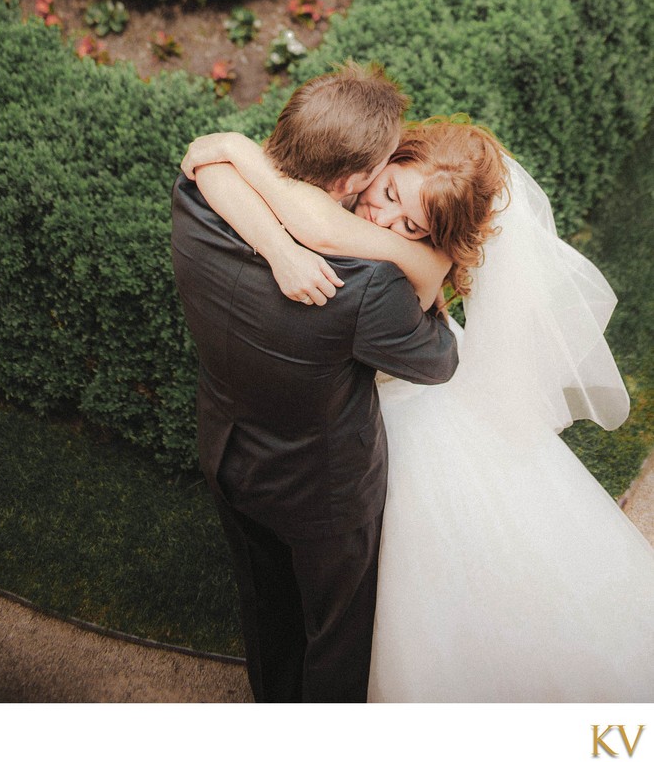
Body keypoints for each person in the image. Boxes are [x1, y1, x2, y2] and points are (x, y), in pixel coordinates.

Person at [181, 116, 654, 703]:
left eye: (413, 228)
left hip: (362, 440)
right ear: (385, 160)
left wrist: (416, 268)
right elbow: (307, 220)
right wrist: (284, 245)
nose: (384, 222)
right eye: (387, 196)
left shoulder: (385, 285)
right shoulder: (356, 214)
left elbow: (436, 361)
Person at [171, 63, 459, 704]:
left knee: (265, 609)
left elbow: (211, 158)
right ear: (356, 180)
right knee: (337, 636)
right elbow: (437, 361)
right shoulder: (365, 289)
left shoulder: (197, 196)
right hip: (322, 495)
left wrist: (273, 232)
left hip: (227, 451)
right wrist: (424, 258)